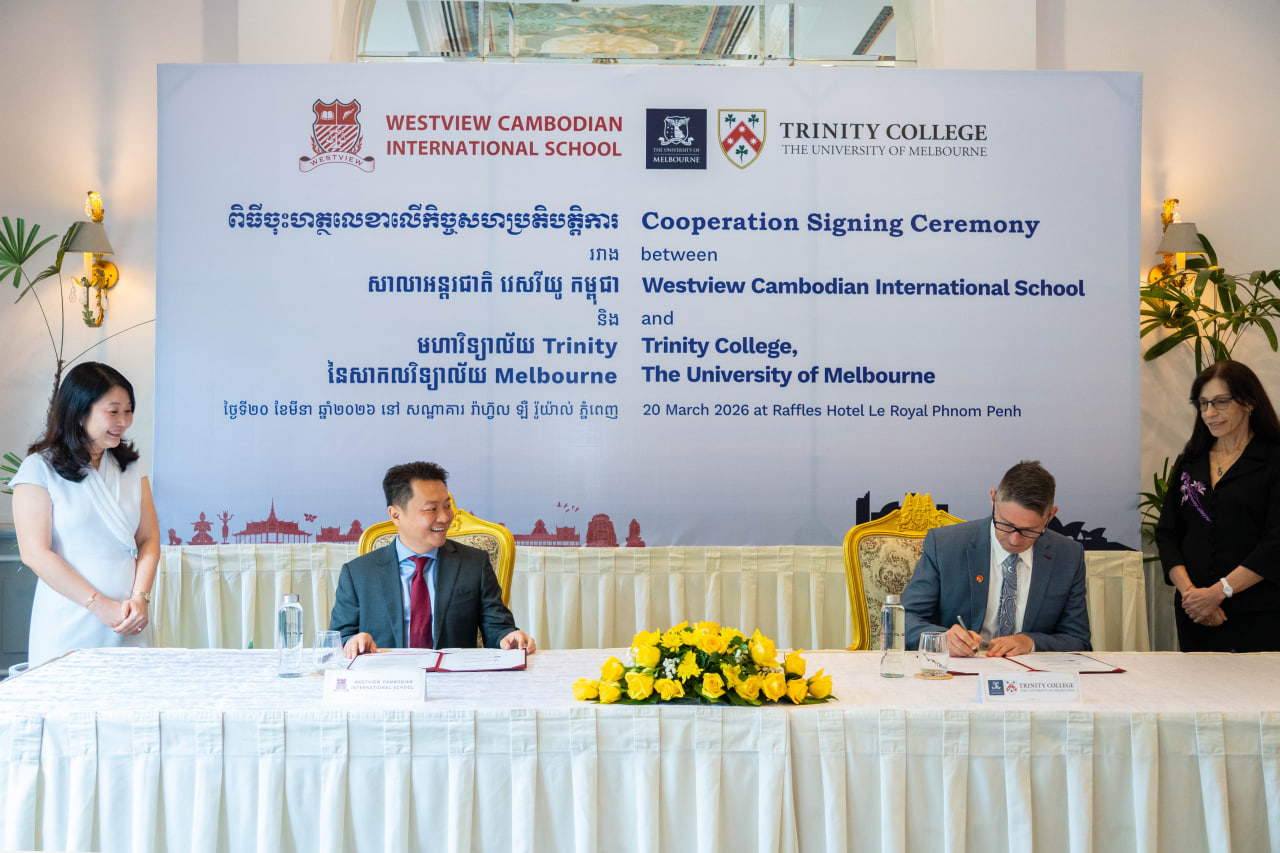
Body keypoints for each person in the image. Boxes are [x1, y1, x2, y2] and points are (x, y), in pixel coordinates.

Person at [11, 362, 160, 666]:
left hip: (129, 617)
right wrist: (98, 604)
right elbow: (35, 554)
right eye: (113, 411)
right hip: (69, 615)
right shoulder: (38, 469)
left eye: (128, 411)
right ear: (80, 412)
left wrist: (140, 597)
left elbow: (149, 539)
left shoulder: (132, 467)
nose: (123, 421)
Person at [330, 461, 536, 657]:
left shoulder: (474, 564)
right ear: (396, 515)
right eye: (432, 509)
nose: (445, 517)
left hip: (453, 677)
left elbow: (497, 627)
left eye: (447, 506)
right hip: (389, 677)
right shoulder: (358, 573)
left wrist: (509, 637)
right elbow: (338, 639)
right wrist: (352, 641)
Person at [901, 460, 1091, 657]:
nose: (1014, 540)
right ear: (993, 499)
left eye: (1029, 530)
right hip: (959, 667)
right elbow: (904, 619)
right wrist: (941, 639)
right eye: (1006, 525)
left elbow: (1078, 639)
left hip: (1029, 672)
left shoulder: (1068, 555)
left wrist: (1031, 642)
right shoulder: (945, 546)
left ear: (1051, 516)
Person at [1156, 361, 1280, 652]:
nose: (1209, 413)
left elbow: (1276, 541)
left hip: (1258, 613)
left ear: (1249, 402)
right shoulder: (1190, 461)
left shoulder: (1273, 460)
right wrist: (1192, 596)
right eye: (1203, 404)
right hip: (1195, 613)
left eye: (1220, 402)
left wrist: (1219, 592)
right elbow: (1167, 533)